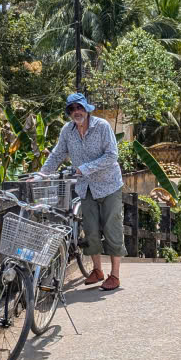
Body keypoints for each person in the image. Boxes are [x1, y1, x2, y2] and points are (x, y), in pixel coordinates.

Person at [42, 92, 125, 291]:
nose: (76, 112)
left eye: (79, 108)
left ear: (87, 109)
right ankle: (97, 270)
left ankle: (115, 275)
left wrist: (83, 169)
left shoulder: (102, 126)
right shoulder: (67, 131)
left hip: (109, 185)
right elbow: (57, 154)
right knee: (91, 230)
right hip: (85, 187)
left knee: (112, 229)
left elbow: (112, 156)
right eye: (72, 109)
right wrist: (42, 174)